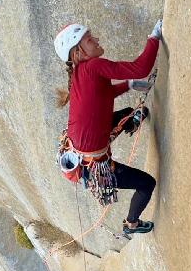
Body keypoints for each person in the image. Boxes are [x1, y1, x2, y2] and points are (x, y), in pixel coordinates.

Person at [54, 20, 162, 235]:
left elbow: (102, 97)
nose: (96, 40)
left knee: (127, 113)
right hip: (94, 165)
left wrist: (129, 85)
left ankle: (132, 119)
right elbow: (141, 68)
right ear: (78, 51)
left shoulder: (79, 73)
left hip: (82, 150)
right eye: (89, 39)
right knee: (147, 183)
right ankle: (131, 223)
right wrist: (155, 37)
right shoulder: (93, 66)